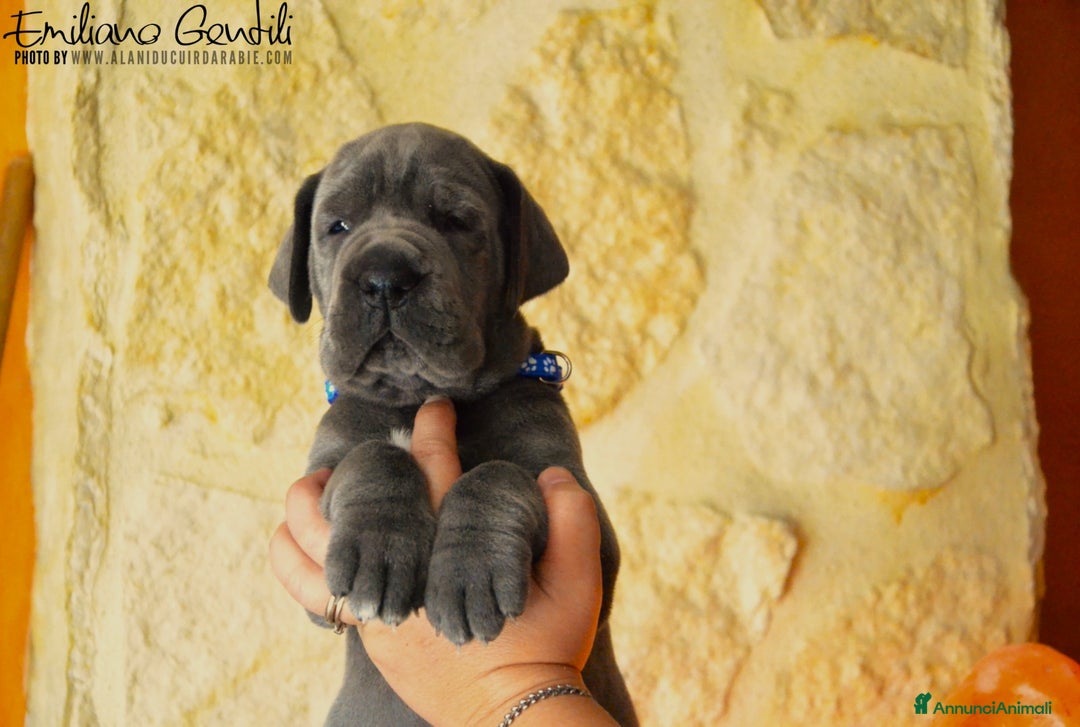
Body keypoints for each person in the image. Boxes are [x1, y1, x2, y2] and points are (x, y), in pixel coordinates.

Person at [269, 398, 620, 726]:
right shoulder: (351, 411)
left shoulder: (529, 402)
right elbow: (319, 577)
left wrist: (516, 680)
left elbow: (592, 569)